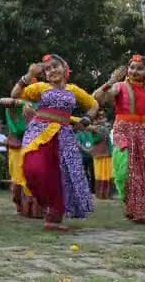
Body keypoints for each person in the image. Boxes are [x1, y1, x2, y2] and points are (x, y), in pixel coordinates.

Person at [11, 54, 98, 231]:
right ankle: (46, 204)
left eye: (55, 66)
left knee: (61, 175)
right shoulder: (41, 87)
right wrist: (28, 75)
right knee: (33, 168)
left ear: (65, 68)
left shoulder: (73, 90)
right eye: (47, 69)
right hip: (40, 133)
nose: (52, 71)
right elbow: (15, 94)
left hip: (64, 136)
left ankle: (54, 217)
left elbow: (94, 104)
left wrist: (86, 120)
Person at [93, 54, 145, 224]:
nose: (134, 71)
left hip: (144, 132)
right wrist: (109, 82)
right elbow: (98, 98)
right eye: (132, 67)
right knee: (124, 169)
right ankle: (130, 204)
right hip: (123, 130)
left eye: (139, 68)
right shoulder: (119, 86)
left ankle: (140, 212)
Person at [0, 97, 45, 218]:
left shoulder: (39, 104)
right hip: (17, 147)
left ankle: (36, 209)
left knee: (33, 177)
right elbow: (2, 101)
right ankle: (22, 207)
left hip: (33, 146)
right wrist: (22, 102)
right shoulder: (15, 103)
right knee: (18, 179)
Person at [88, 110, 114, 199]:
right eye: (100, 117)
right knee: (100, 174)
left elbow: (109, 142)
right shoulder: (94, 129)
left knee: (108, 174)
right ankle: (101, 194)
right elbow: (94, 140)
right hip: (99, 154)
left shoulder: (105, 128)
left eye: (103, 117)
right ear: (96, 120)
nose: (102, 119)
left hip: (107, 154)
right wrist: (100, 130)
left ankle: (107, 194)